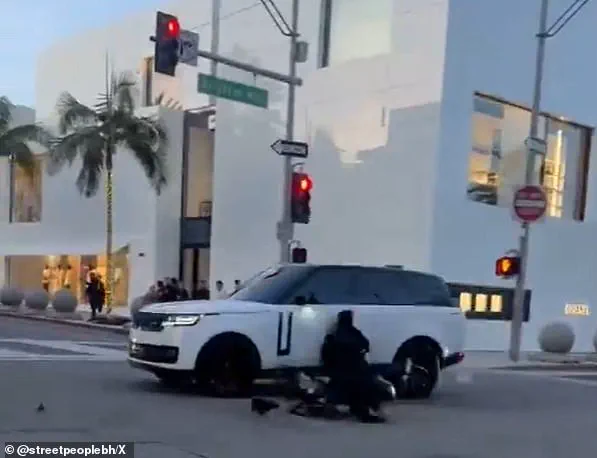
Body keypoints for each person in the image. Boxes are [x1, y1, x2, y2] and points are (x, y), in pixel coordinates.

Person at [321, 310, 386, 423]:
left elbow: (326, 355)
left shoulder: (333, 336)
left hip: (339, 372)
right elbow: (366, 345)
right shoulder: (355, 334)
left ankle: (333, 407)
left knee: (340, 386)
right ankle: (366, 411)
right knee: (365, 387)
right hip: (357, 372)